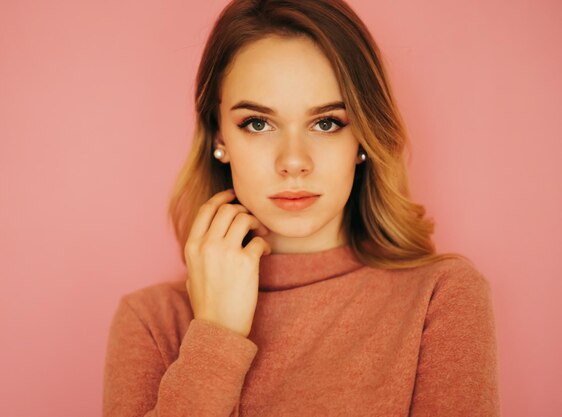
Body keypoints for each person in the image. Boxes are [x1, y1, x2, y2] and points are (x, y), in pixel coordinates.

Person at [102, 0, 501, 416]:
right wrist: (215, 336)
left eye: (326, 122)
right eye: (258, 123)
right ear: (218, 136)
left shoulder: (441, 296)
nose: (293, 161)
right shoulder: (151, 321)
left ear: (362, 137)